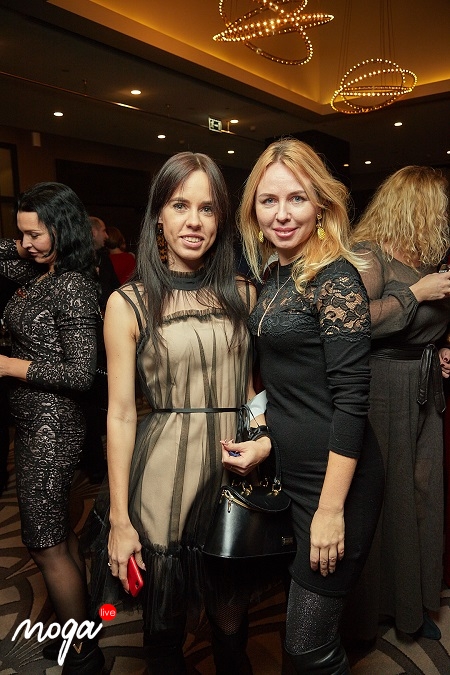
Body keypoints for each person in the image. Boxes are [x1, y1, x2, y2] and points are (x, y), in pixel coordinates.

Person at [88, 152, 270, 674]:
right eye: (179, 205)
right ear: (158, 218)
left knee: (231, 631)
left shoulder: (245, 293)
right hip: (165, 483)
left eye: (207, 208)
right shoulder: (129, 302)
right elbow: (121, 415)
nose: (194, 221)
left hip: (235, 478)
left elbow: (262, 389)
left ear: (221, 219)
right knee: (164, 638)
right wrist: (119, 519)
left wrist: (264, 439)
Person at [237, 137, 384, 673]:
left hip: (336, 482)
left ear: (321, 204)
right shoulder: (275, 275)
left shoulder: (335, 279)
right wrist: (265, 441)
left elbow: (350, 403)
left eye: (296, 198)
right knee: (302, 641)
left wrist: (330, 510)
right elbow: (292, 388)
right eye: (269, 200)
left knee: (308, 647)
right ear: (253, 209)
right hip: (292, 473)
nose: (282, 214)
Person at [0, 182, 105, 673]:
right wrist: (27, 234)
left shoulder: (73, 285)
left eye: (35, 234)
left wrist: (9, 366)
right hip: (33, 422)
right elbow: (4, 255)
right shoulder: (41, 270)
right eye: (21, 234)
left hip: (53, 426)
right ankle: (79, 629)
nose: (26, 244)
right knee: (57, 534)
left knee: (44, 542)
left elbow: (82, 374)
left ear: (62, 229)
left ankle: (84, 656)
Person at [343, 165, 450, 642]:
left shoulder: (428, 258)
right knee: (388, 498)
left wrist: (443, 345)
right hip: (382, 386)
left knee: (424, 493)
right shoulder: (371, 255)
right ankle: (377, 610)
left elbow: (431, 323)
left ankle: (415, 600)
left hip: (424, 384)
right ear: (416, 206)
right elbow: (354, 323)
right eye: (440, 205)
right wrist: (415, 293)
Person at [78, 217, 119, 484]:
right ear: (92, 232)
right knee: (90, 406)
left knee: (110, 403)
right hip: (85, 343)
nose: (106, 235)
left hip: (107, 340)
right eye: (103, 230)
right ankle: (93, 463)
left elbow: (114, 291)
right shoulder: (76, 263)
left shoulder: (104, 260)